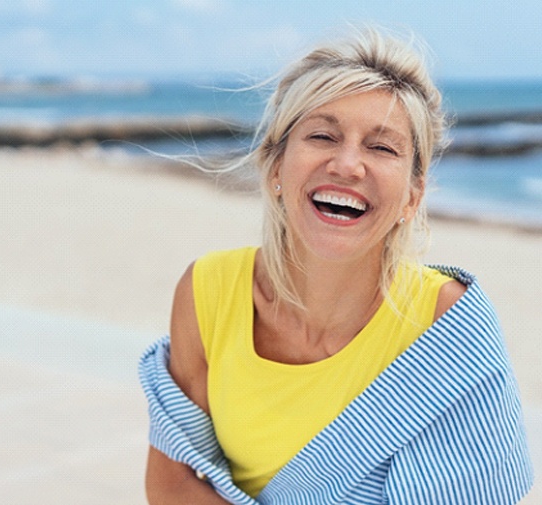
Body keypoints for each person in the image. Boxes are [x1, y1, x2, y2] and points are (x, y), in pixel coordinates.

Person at [139, 27, 533, 504]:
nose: (348, 165)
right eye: (323, 135)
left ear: (414, 193)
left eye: (382, 147)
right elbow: (172, 481)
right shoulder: (208, 290)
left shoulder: (445, 323)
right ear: (274, 165)